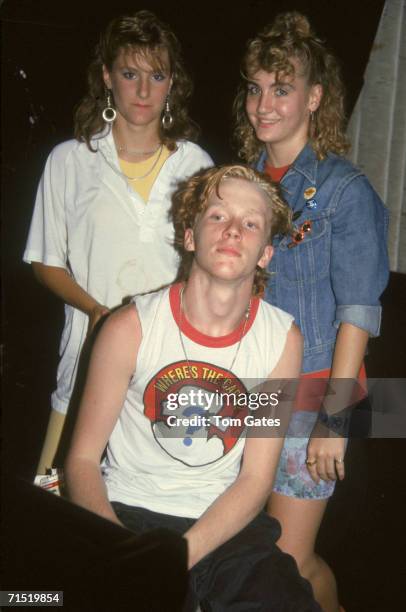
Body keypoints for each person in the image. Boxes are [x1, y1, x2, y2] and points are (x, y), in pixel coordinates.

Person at [64, 164, 320, 611]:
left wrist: (178, 556)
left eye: (251, 223)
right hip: (127, 513)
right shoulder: (130, 328)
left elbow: (257, 478)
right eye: (218, 216)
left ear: (264, 254)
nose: (234, 230)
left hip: (226, 522)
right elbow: (83, 461)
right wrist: (124, 552)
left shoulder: (281, 340)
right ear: (189, 236)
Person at [233, 12, 389, 612]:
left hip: (315, 396)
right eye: (255, 87)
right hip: (254, 390)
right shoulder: (245, 185)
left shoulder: (344, 189)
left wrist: (337, 420)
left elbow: (357, 312)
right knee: (251, 552)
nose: (264, 103)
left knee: (290, 559)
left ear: (314, 96)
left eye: (282, 87)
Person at [23, 10, 212, 475]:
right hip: (87, 356)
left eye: (156, 75)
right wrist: (95, 313)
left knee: (155, 513)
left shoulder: (196, 165)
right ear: (107, 77)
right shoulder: (70, 161)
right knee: (60, 501)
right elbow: (44, 262)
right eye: (130, 74)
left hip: (171, 363)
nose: (143, 91)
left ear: (173, 83)